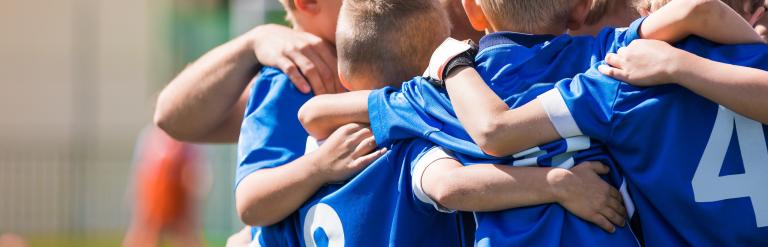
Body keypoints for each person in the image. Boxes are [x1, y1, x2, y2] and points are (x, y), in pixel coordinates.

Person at [297, 0, 764, 245]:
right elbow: (699, 10)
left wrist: (444, 68)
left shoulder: (440, 92)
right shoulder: (605, 60)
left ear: (472, 11)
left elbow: (314, 114)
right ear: (582, 7)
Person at [123, 126, 205, 247]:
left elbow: (192, 172)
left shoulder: (186, 143)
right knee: (147, 231)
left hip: (177, 196)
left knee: (184, 231)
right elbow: (141, 171)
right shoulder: (150, 137)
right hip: (155, 195)